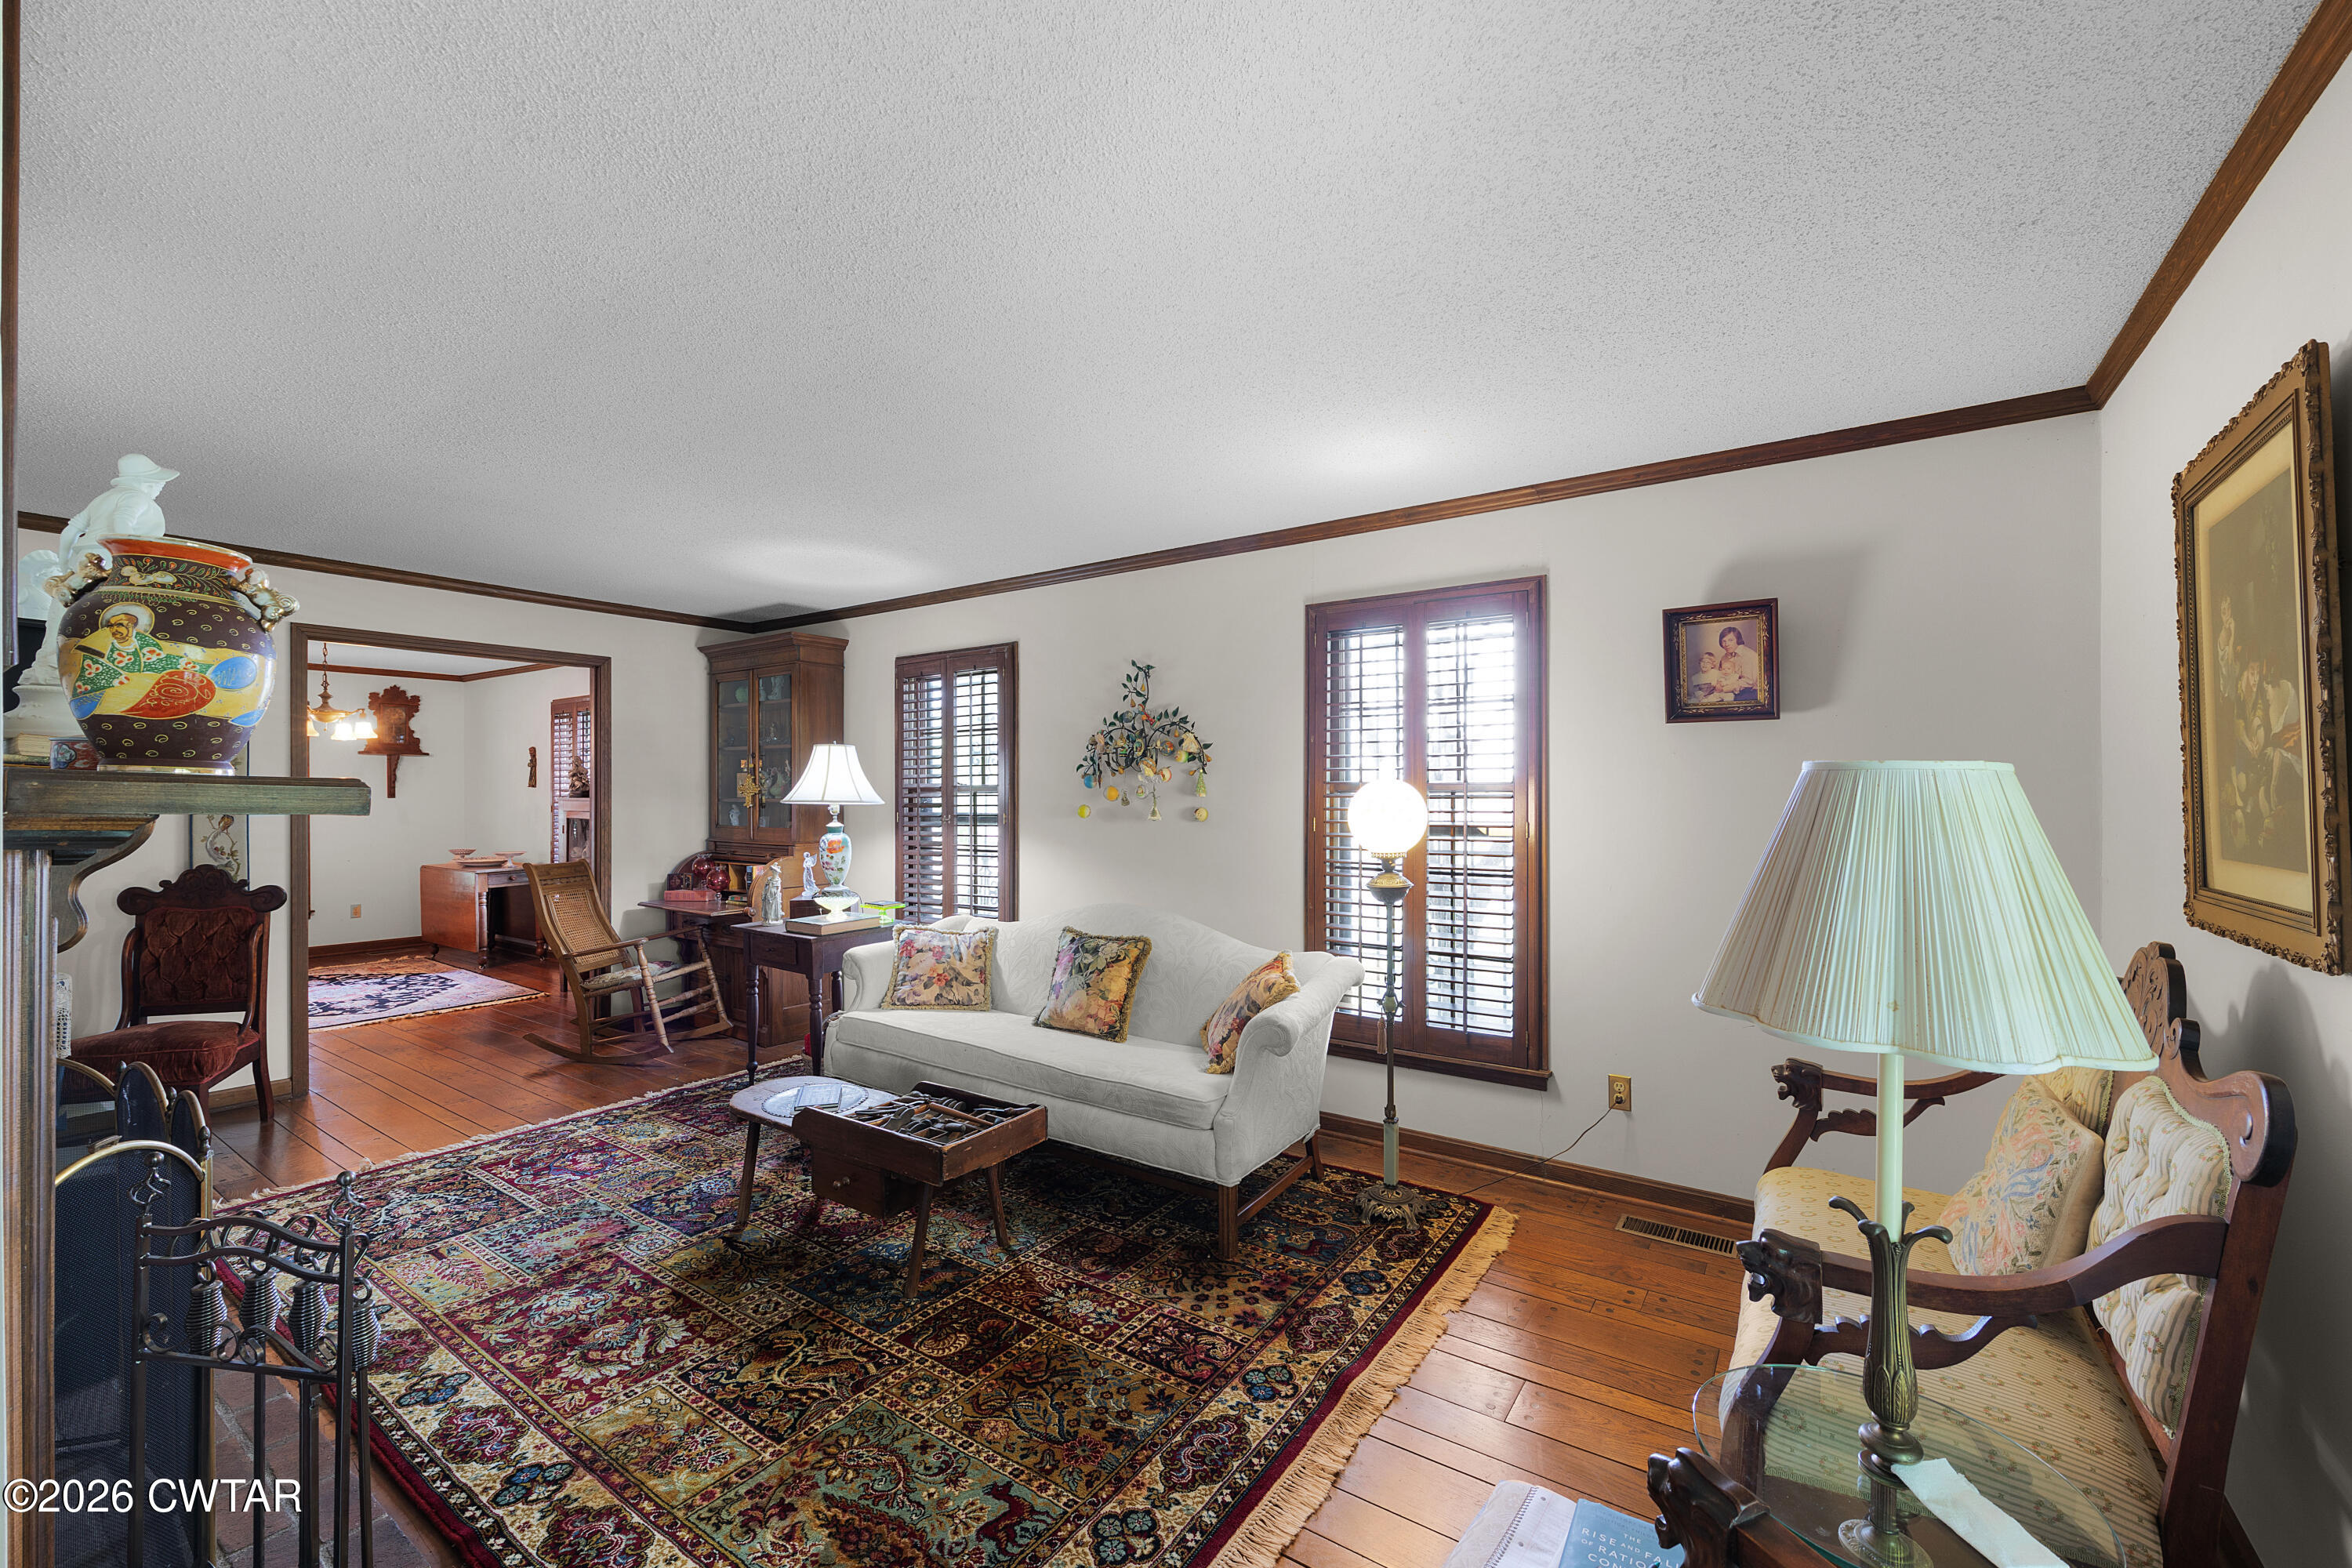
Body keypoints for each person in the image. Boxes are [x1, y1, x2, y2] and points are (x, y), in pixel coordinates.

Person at [1718, 625, 1761, 701]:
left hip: (1751, 692)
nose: (1727, 644)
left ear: (1738, 640)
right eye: (1724, 641)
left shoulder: (1748, 655)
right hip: (1731, 691)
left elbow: (1749, 682)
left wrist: (1724, 689)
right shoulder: (1724, 657)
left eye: (1730, 640)